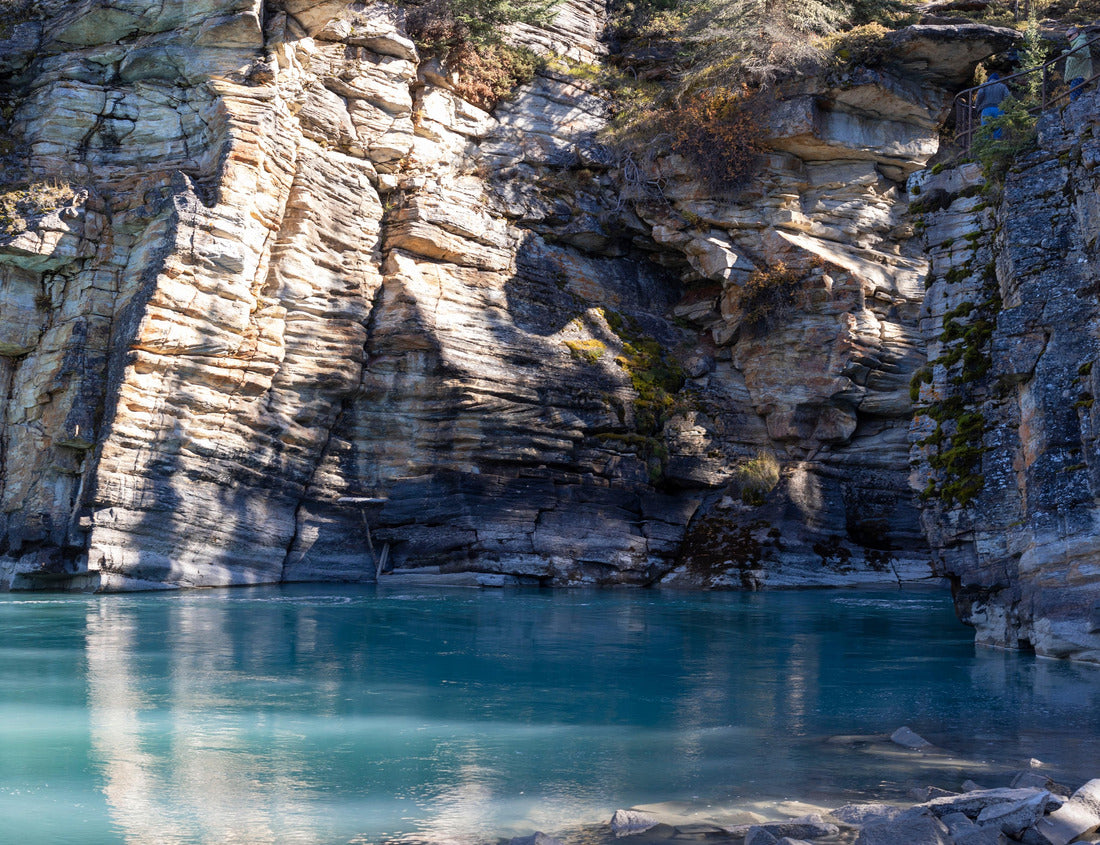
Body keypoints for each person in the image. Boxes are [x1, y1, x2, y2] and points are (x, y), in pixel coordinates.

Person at [1063, 25, 1094, 102]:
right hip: (1077, 76)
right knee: (1076, 98)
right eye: (1067, 37)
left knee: (1074, 100)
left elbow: (1082, 53)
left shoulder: (1081, 41)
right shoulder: (1077, 44)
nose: (1068, 39)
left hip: (1079, 76)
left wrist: (1068, 52)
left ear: (1076, 34)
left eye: (1069, 36)